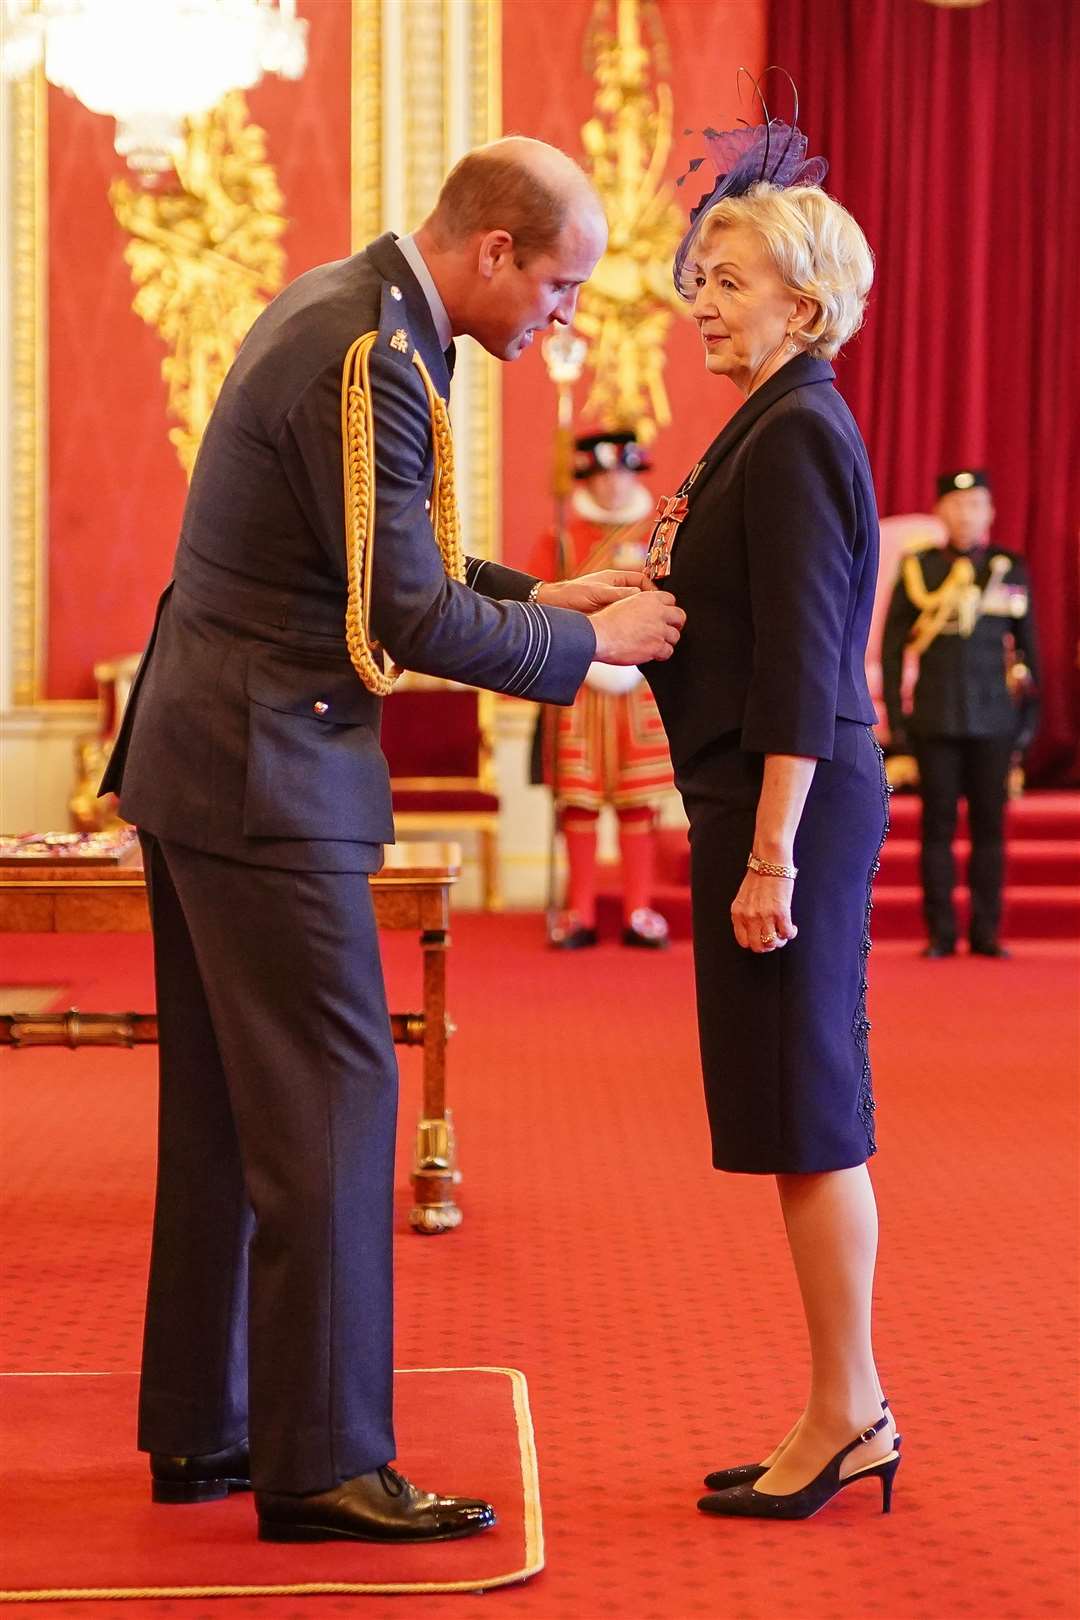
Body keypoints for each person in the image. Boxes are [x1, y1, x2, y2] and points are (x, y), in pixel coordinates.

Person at [100, 137, 684, 1545]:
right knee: (341, 1107)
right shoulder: (372, 353)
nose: (561, 320)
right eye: (560, 285)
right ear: (495, 250)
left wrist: (544, 590)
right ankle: (322, 1465)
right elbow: (409, 616)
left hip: (219, 758)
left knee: (232, 1120)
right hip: (262, 772)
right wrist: (588, 648)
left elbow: (386, 559)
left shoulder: (361, 315)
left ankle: (206, 1432)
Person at [640, 115, 900, 1521]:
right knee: (794, 1113)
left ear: (804, 301)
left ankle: (848, 1413)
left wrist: (768, 853)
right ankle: (838, 1403)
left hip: (787, 805)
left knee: (812, 1117)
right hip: (764, 796)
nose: (701, 300)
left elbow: (807, 656)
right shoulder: (768, 423)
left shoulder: (796, 429)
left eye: (727, 278)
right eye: (701, 276)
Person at [881, 469, 1039, 958]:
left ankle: (988, 931)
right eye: (956, 505)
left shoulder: (1008, 567)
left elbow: (1028, 649)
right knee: (938, 827)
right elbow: (891, 649)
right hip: (935, 717)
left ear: (990, 513)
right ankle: (942, 932)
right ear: (941, 512)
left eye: (976, 505)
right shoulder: (919, 568)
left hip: (994, 718)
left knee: (991, 828)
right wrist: (897, 718)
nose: (966, 514)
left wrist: (1029, 719)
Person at [530, 430, 675, 948]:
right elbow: (537, 605)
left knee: (639, 801)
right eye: (603, 474)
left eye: (623, 473)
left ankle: (639, 909)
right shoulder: (563, 535)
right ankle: (580, 911)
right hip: (579, 681)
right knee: (580, 801)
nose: (614, 484)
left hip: (639, 684)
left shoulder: (660, 533)